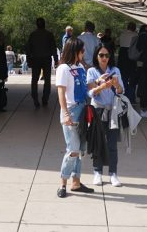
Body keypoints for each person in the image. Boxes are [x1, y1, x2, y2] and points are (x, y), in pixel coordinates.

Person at [55, 39, 94, 198]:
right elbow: (61, 93)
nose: (83, 53)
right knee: (73, 149)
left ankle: (76, 182)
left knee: (81, 149)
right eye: (82, 50)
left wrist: (100, 82)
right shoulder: (63, 68)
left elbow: (86, 87)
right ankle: (63, 183)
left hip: (83, 108)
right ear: (74, 50)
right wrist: (65, 113)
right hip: (71, 110)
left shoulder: (80, 67)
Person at [86, 44, 124, 186]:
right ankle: (97, 172)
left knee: (112, 143)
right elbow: (90, 93)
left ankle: (113, 173)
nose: (104, 58)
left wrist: (116, 85)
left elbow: (121, 91)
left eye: (107, 55)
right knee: (98, 143)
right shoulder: (91, 71)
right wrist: (101, 85)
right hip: (98, 110)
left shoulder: (115, 70)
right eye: (101, 55)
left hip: (112, 110)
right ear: (96, 56)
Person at [26, 17, 59, 108]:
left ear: (37, 24)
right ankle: (45, 99)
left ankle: (35, 99)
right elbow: (53, 48)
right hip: (46, 59)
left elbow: (28, 48)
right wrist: (56, 60)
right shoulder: (49, 34)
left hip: (36, 59)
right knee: (47, 80)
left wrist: (29, 60)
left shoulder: (33, 35)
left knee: (34, 80)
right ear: (44, 24)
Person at [117, 22, 138, 101]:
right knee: (132, 77)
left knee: (123, 76)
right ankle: (131, 97)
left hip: (122, 55)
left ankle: (123, 95)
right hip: (131, 55)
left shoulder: (122, 34)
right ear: (134, 28)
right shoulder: (135, 35)